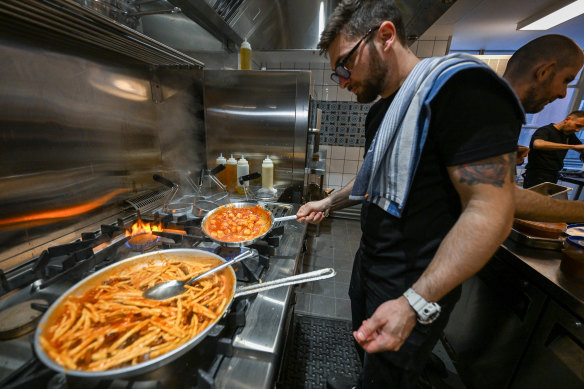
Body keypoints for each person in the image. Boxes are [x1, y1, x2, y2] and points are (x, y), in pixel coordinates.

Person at [298, 1, 524, 388]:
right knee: (368, 356)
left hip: (415, 281)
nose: (342, 80)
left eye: (344, 65)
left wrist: (413, 303)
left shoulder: (462, 89)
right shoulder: (382, 111)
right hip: (371, 264)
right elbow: (371, 179)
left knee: (391, 376)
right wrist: (328, 201)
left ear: (385, 36)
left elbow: (491, 212)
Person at [502, 34, 584, 220]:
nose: (563, 94)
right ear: (544, 71)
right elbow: (499, 198)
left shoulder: (509, 114)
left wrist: (505, 155)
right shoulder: (492, 110)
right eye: (566, 80)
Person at [522, 111, 584, 188]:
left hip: (553, 175)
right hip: (537, 175)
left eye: (581, 127)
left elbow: (581, 148)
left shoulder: (568, 134)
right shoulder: (546, 130)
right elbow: (538, 144)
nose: (578, 130)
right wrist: (572, 146)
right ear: (567, 119)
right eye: (577, 125)